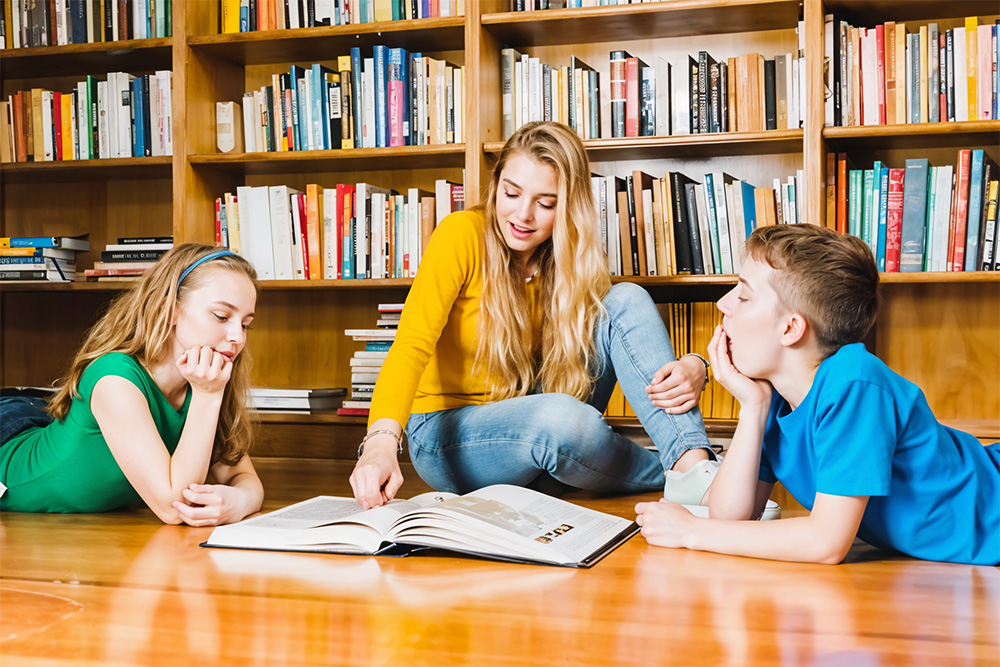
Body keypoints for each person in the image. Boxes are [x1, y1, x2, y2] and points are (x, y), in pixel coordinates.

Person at [350, 120, 718, 510]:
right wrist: (379, 443)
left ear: (568, 207)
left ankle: (692, 465)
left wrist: (696, 365)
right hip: (450, 437)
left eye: (545, 203)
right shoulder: (460, 234)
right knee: (560, 420)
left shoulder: (568, 258)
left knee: (625, 297)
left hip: (536, 417)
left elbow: (621, 341)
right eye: (511, 193)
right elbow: (410, 345)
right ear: (496, 185)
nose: (522, 215)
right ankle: (688, 475)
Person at [635, 224, 1000, 565]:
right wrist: (753, 408)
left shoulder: (853, 383)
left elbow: (827, 542)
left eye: (744, 296)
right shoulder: (775, 394)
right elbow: (731, 514)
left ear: (791, 329)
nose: (722, 304)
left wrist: (690, 531)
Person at [0, 244, 265, 526]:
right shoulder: (114, 378)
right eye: (222, 316)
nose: (237, 337)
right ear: (169, 309)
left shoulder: (205, 381)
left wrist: (238, 502)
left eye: (246, 324)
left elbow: (244, 479)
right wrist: (207, 396)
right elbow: (174, 508)